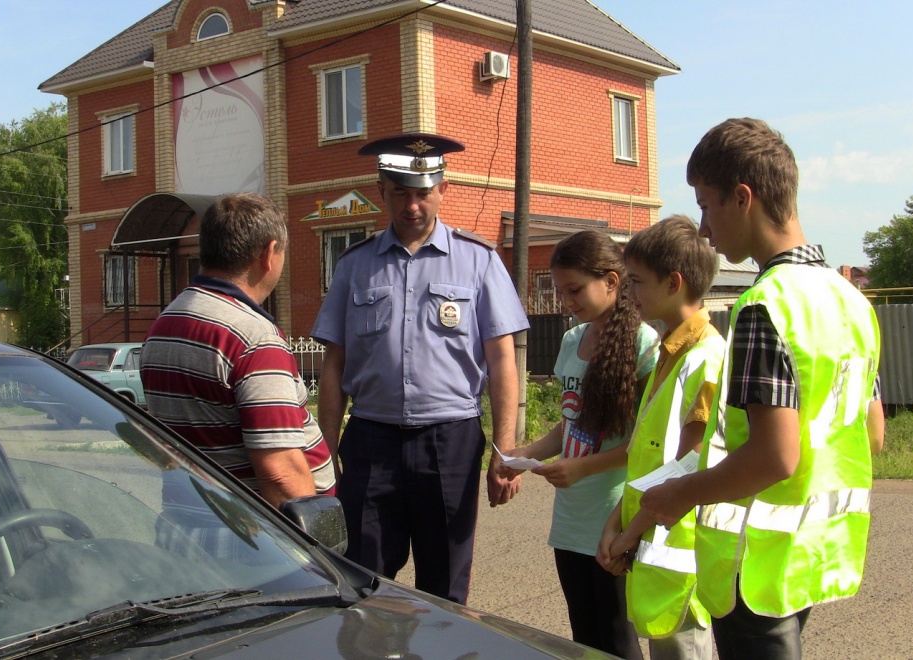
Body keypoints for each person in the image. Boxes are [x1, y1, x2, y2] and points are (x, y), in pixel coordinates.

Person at [631, 118, 885, 659]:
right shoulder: (851, 302)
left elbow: (774, 456)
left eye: (706, 204)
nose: (702, 227)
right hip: (813, 552)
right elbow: (872, 433)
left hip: (756, 565)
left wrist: (677, 495)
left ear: (743, 198)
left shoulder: (763, 307)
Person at [311, 133, 529, 605]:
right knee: (362, 577)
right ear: (381, 191)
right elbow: (335, 364)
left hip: (449, 439)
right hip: (372, 440)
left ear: (442, 190)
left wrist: (505, 449)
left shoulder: (480, 260)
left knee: (445, 579)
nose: (413, 205)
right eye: (401, 192)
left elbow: (502, 360)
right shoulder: (355, 265)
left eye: (423, 192)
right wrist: (326, 450)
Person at [501, 229, 658, 658]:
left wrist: (581, 469)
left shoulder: (645, 345)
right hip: (570, 516)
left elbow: (647, 444)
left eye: (574, 290)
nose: (566, 301)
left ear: (611, 281)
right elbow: (568, 427)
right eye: (559, 290)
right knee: (584, 637)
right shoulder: (572, 340)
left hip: (612, 512)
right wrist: (525, 453)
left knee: (616, 636)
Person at [141, 192, 335, 512]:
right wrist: (313, 548)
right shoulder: (252, 337)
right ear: (269, 253)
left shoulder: (165, 322)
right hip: (248, 541)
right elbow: (280, 474)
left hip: (186, 520)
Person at [596, 214, 723, 660]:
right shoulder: (670, 351)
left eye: (637, 282)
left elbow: (687, 465)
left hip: (679, 559)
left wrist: (628, 534)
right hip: (653, 545)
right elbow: (648, 460)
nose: (630, 294)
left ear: (674, 283)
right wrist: (617, 521)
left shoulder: (706, 359)